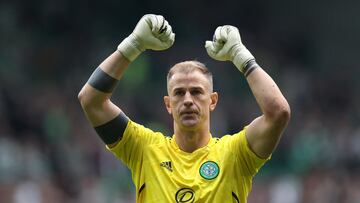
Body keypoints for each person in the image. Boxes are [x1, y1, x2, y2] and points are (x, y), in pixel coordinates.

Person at [78, 14, 290, 203]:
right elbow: (91, 100)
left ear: (213, 100)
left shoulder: (235, 154)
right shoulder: (144, 149)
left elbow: (278, 112)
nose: (188, 100)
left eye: (197, 92)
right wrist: (132, 45)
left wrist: (241, 56)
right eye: (179, 93)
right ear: (168, 104)